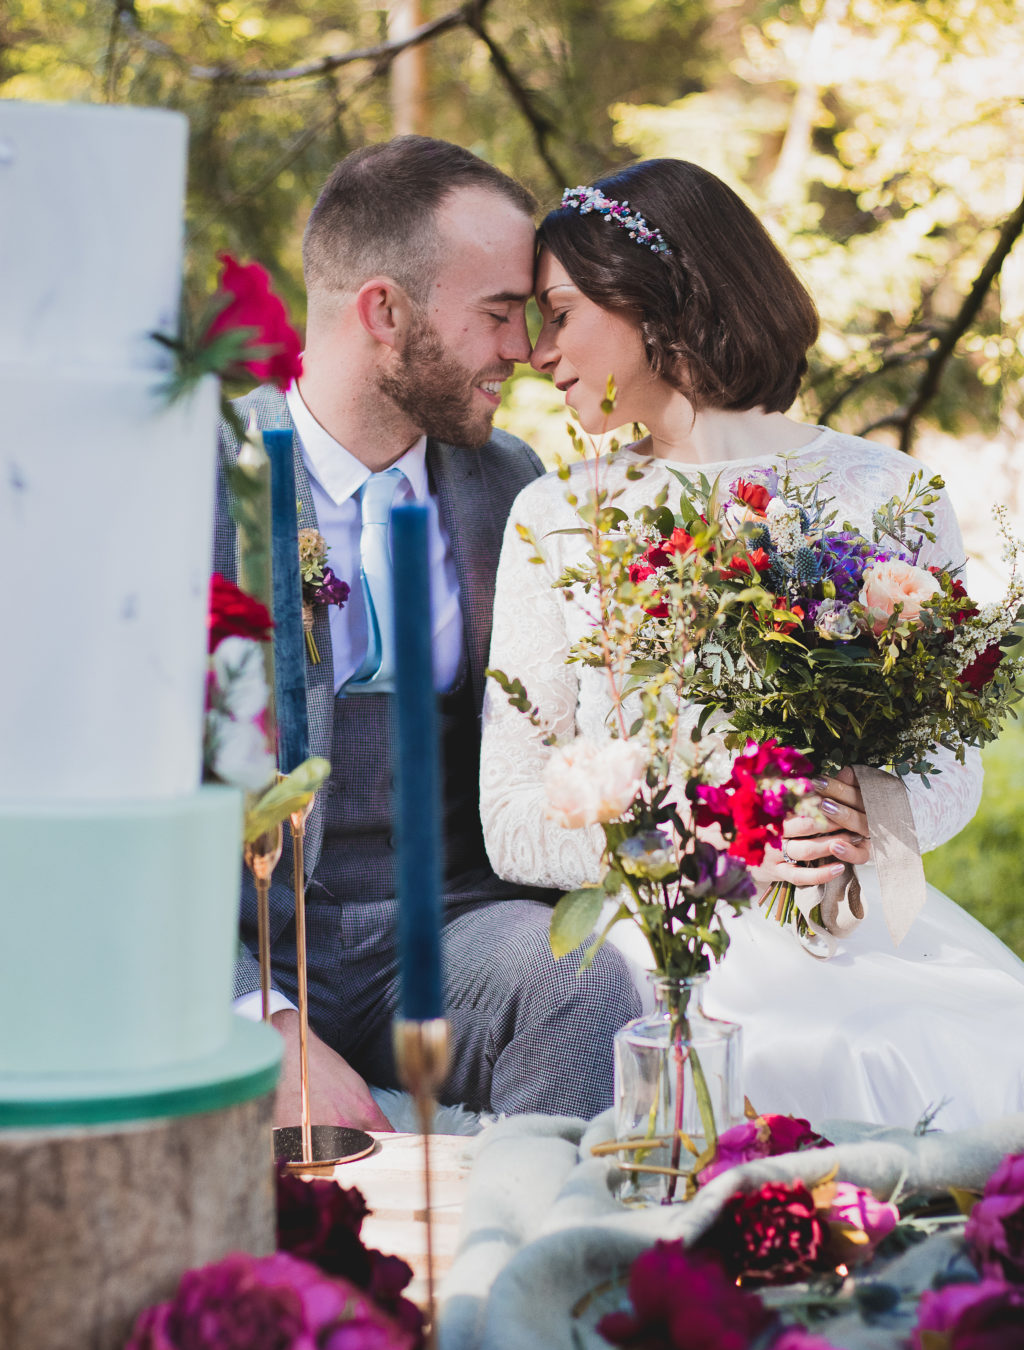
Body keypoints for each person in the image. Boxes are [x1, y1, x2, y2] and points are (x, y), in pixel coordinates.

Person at [480, 157, 1024, 1132]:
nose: (535, 350)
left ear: (655, 297)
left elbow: (951, 770)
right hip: (660, 941)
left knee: (937, 1055)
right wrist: (709, 833)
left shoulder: (888, 493)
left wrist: (871, 812)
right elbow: (511, 816)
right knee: (781, 1050)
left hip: (856, 931)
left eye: (559, 312)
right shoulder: (555, 518)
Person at [217, 137, 642, 1132]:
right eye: (498, 312)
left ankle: (518, 1249)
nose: (527, 349)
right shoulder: (195, 477)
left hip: (449, 930)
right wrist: (261, 1019)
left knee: (579, 983)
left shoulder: (511, 483)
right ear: (384, 311)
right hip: (238, 938)